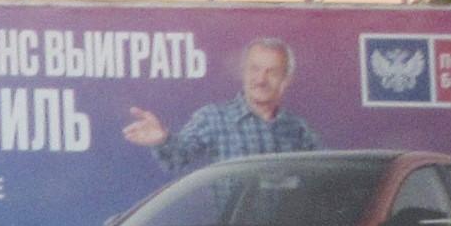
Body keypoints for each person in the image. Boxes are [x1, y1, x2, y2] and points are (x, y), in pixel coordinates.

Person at [122, 35, 321, 174]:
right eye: (254, 69)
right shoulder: (213, 119)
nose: (261, 79)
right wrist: (161, 140)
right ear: (243, 72)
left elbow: (322, 177)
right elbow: (178, 158)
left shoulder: (298, 129)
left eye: (272, 72)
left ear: (285, 80)